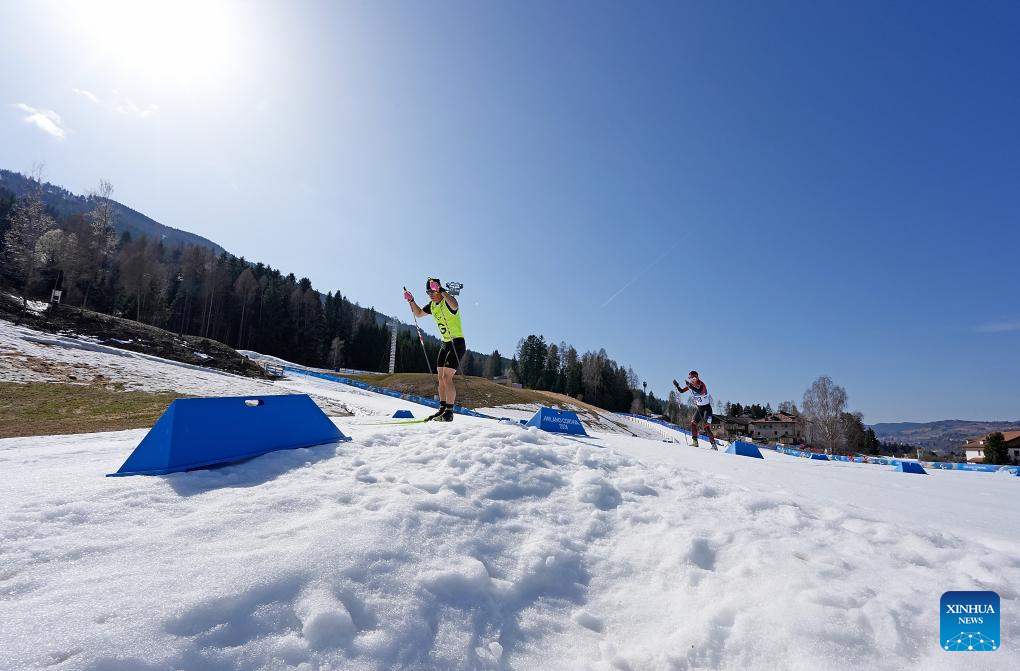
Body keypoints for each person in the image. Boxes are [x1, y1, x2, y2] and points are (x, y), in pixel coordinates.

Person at [404, 278, 466, 422]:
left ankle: (449, 412)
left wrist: (442, 290)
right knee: (440, 377)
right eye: (428, 292)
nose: (430, 295)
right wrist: (411, 300)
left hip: (456, 343)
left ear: (438, 290)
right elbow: (419, 313)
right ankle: (442, 408)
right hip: (445, 344)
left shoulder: (447, 301)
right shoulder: (432, 306)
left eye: (433, 291)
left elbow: (455, 305)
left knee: (447, 377)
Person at [673, 371, 718, 449]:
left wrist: (690, 387)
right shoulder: (691, 385)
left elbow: (700, 392)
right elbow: (682, 391)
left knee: (706, 427)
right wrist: (677, 385)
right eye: (691, 379)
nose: (692, 380)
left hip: (707, 409)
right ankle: (695, 442)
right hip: (700, 409)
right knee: (693, 423)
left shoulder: (701, 384)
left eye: (694, 378)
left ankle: (713, 445)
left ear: (697, 378)